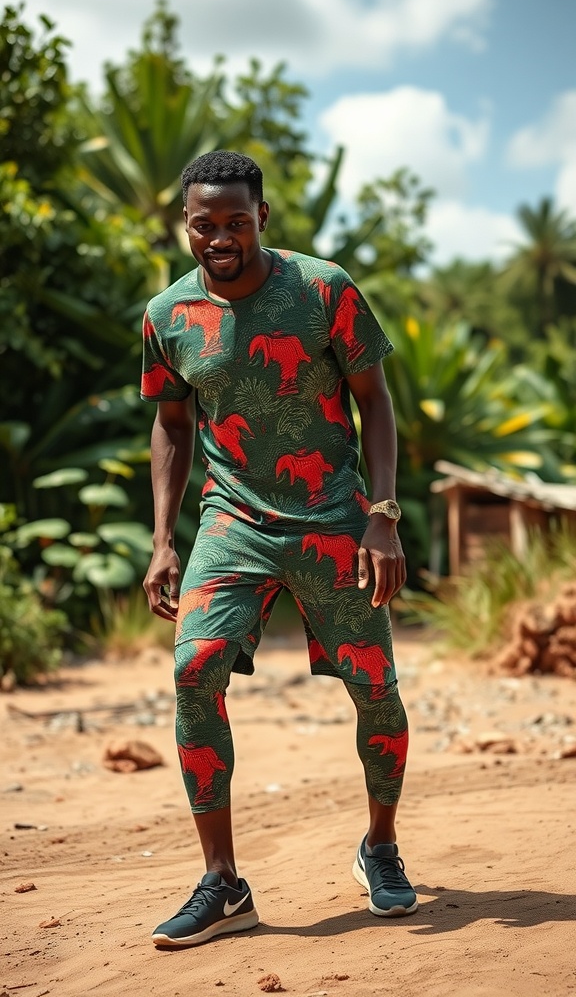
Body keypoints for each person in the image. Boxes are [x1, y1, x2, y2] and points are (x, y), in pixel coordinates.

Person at [141, 150, 417, 948]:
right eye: (204, 223)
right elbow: (170, 422)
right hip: (231, 521)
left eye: (234, 221)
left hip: (334, 514)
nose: (218, 236)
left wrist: (384, 513)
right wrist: (163, 540)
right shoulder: (167, 316)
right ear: (185, 225)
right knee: (194, 669)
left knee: (375, 687)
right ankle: (222, 883)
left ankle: (381, 847)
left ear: (262, 217)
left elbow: (377, 400)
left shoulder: (324, 290)